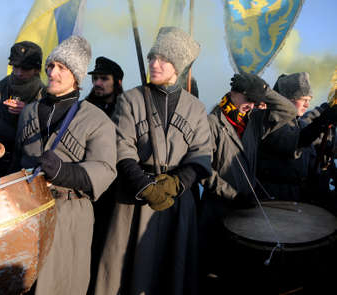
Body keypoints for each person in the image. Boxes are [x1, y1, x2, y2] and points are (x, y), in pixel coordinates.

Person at [94, 27, 212, 295]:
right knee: (127, 272)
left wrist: (176, 184)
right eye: (152, 57)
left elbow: (202, 153)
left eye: (164, 59)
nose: (155, 64)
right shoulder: (131, 99)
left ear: (178, 66)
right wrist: (144, 185)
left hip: (177, 200)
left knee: (172, 273)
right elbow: (121, 147)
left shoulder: (196, 108)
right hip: (134, 198)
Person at [12, 36, 117, 295]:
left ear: (76, 75)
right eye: (51, 66)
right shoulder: (29, 112)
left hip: (70, 215)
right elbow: (16, 161)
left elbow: (106, 169)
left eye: (62, 67)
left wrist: (63, 172)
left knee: (62, 284)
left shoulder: (96, 119)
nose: (53, 72)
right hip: (27, 212)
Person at [199, 72, 298, 294]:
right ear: (233, 93)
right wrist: (233, 194)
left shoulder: (254, 122)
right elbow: (203, 171)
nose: (252, 105)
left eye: (255, 100)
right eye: (248, 98)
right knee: (214, 278)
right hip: (217, 213)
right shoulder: (212, 122)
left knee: (241, 278)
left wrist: (263, 90)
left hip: (246, 214)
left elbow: (288, 111)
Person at [257, 72, 337, 202]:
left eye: (309, 101)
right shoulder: (271, 122)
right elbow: (295, 142)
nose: (307, 105)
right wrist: (322, 121)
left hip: (294, 199)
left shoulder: (299, 124)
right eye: (303, 100)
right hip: (271, 200)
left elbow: (310, 162)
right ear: (287, 100)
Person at [84, 56, 124, 294]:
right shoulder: (84, 109)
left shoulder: (127, 109)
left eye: (104, 79)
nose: (98, 83)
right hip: (88, 187)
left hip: (116, 189)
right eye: (95, 78)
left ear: (117, 82)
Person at [0, 41, 45, 177]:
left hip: (27, 167)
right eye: (15, 67)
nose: (18, 73)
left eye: (25, 68)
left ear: (37, 70)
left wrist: (29, 112)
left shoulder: (45, 95)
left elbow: (47, 134)